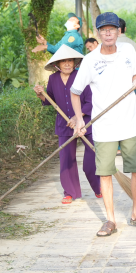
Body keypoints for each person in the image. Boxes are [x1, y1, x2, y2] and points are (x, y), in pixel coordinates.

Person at [69, 12, 136, 236]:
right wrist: (80, 119)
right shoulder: (90, 60)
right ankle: (110, 220)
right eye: (103, 29)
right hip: (104, 127)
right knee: (105, 173)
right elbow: (75, 92)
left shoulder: (127, 51)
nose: (108, 33)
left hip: (130, 123)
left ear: (119, 31)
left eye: (112, 29)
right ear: (98, 33)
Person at [33, 45, 101, 203]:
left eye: (70, 60)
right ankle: (70, 192)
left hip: (86, 123)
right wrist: (40, 94)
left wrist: (78, 117)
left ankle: (98, 188)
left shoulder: (82, 76)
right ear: (57, 64)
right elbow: (49, 100)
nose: (67, 64)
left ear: (75, 62)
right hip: (64, 125)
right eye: (64, 61)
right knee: (66, 160)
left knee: (91, 160)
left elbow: (91, 101)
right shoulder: (53, 79)